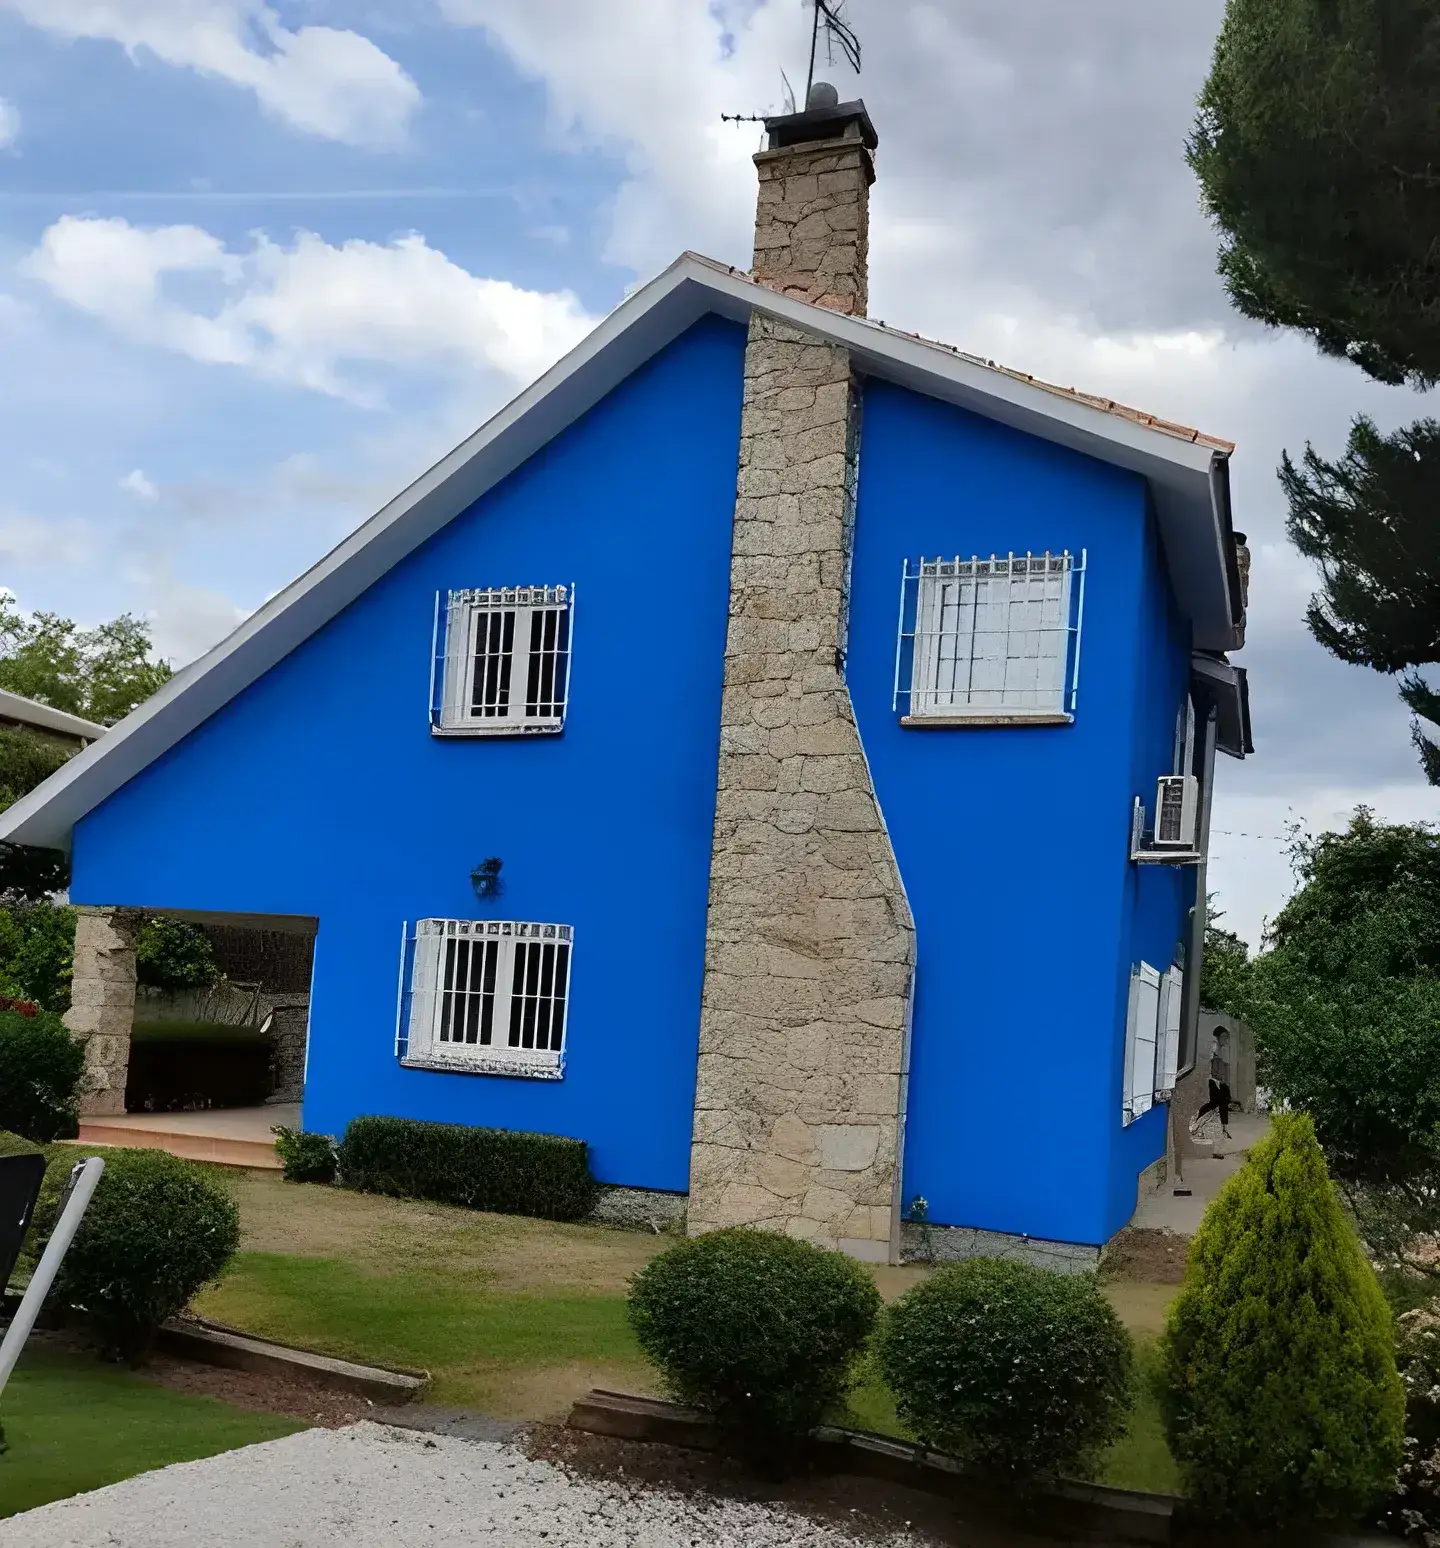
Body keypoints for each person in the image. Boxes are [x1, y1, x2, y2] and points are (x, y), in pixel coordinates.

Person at [1189, 1028, 1233, 1140]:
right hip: (1213, 1080)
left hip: (1219, 1081)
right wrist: (1218, 1079)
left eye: (1226, 1038)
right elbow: (1212, 1065)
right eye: (1224, 1037)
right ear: (1218, 1037)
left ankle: (1221, 1128)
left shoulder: (1221, 1049)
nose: (1226, 1040)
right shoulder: (1214, 1047)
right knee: (1214, 1104)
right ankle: (1196, 1122)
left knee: (1220, 1104)